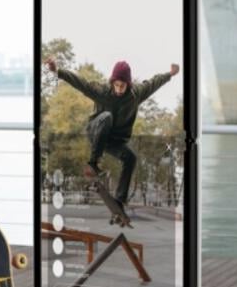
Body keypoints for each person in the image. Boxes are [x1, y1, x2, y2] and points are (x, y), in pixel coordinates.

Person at [44, 57, 179, 213]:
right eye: (116, 85)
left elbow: (155, 82)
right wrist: (58, 71)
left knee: (131, 158)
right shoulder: (102, 92)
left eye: (122, 86)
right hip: (96, 132)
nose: (119, 89)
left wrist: (170, 73)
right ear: (112, 82)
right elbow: (81, 83)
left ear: (128, 84)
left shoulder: (136, 95)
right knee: (107, 117)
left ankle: (119, 201)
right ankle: (93, 163)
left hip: (114, 142)